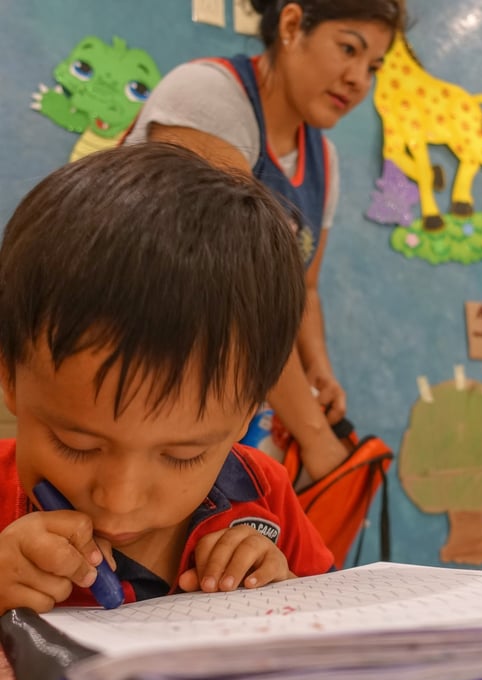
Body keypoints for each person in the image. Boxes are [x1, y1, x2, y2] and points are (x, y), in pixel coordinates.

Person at [0, 142, 334, 614]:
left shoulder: (264, 495)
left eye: (184, 455)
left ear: (247, 413)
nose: (119, 500)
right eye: (77, 444)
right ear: (9, 377)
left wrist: (285, 591)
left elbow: (332, 626)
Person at [124, 0, 406, 483]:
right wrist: (317, 440)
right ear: (292, 25)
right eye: (348, 49)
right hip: (128, 383)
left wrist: (318, 369)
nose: (360, 79)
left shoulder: (324, 159)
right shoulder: (208, 97)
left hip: (209, 402)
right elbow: (227, 297)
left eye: (373, 66)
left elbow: (302, 288)